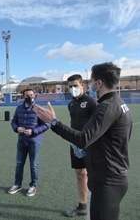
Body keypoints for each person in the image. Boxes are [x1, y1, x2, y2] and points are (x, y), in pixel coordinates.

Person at [34, 62, 132, 220]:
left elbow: (84, 138)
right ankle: (82, 206)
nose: (91, 84)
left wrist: (54, 122)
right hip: (110, 174)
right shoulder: (118, 103)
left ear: (98, 83)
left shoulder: (106, 106)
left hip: (108, 179)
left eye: (92, 81)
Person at [64, 74, 97, 217]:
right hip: (75, 144)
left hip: (90, 145)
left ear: (83, 85)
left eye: (75, 85)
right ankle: (82, 206)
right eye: (70, 86)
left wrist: (88, 143)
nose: (73, 88)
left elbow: (97, 126)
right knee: (79, 173)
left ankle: (98, 205)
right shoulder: (70, 104)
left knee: (94, 175)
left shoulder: (91, 102)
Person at [8, 89, 49, 197]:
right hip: (21, 141)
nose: (30, 97)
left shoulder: (39, 109)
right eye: (27, 95)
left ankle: (33, 186)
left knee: (33, 165)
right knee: (19, 164)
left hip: (34, 142)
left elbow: (46, 125)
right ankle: (17, 184)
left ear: (34, 96)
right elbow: (13, 122)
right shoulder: (19, 108)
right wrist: (17, 128)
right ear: (23, 96)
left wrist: (33, 131)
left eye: (31, 95)